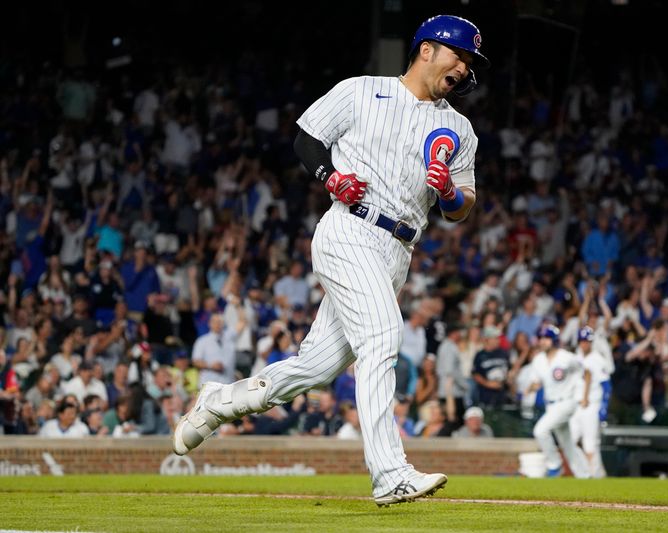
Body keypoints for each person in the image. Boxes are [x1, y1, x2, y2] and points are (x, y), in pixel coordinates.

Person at [172, 14, 488, 506]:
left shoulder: (459, 128)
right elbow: (306, 137)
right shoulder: (361, 90)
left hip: (397, 250)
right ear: (427, 49)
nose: (464, 68)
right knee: (383, 336)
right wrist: (329, 176)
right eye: (459, 55)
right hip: (350, 228)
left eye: (469, 62)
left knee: (315, 369)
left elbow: (463, 207)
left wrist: (448, 191)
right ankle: (390, 474)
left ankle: (220, 402)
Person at [529, 325, 590, 478]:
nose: (543, 342)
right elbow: (537, 382)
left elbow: (586, 371)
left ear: (554, 340)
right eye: (541, 338)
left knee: (540, 430)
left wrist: (584, 396)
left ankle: (554, 465)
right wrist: (529, 388)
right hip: (551, 405)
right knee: (567, 444)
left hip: (566, 402)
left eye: (547, 338)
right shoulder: (538, 360)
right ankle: (584, 475)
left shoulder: (566, 357)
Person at [568, 327, 608, 477]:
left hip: (591, 405)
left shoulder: (598, 359)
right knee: (569, 441)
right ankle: (585, 473)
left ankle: (596, 476)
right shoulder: (576, 358)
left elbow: (606, 386)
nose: (584, 344)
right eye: (582, 341)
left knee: (590, 445)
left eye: (587, 341)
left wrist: (603, 408)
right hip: (576, 405)